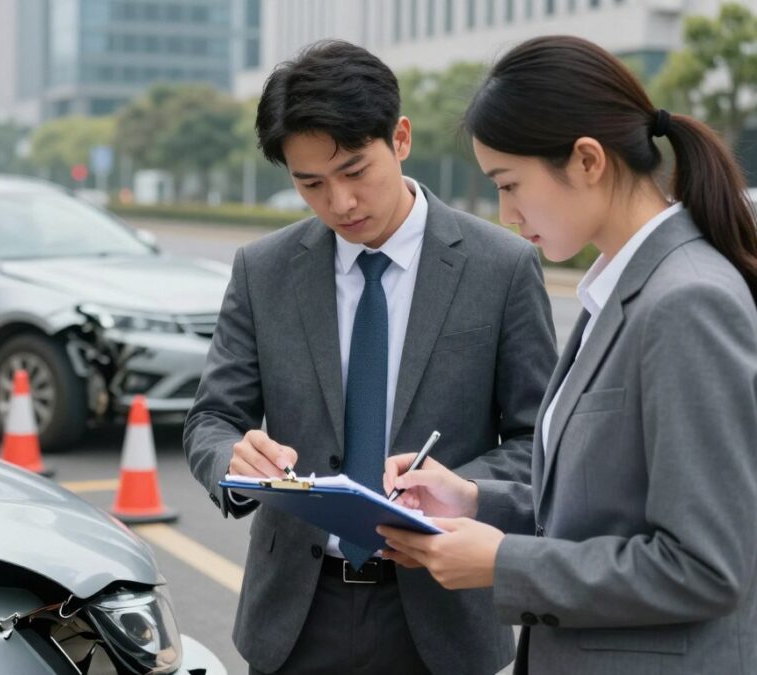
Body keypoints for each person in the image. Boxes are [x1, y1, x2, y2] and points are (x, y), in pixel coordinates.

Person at [379, 36, 757, 675]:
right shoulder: (619, 288)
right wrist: (473, 501)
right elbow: (604, 504)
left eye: (509, 184)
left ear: (587, 160)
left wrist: (503, 562)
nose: (505, 213)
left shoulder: (686, 301)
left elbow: (705, 567)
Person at [184, 40, 558, 674]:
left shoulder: (501, 267)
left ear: (400, 138)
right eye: (310, 184)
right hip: (296, 614)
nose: (340, 203)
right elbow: (211, 419)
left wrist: (459, 490)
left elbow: (538, 439)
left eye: (355, 171)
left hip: (442, 611)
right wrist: (234, 461)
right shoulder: (263, 270)